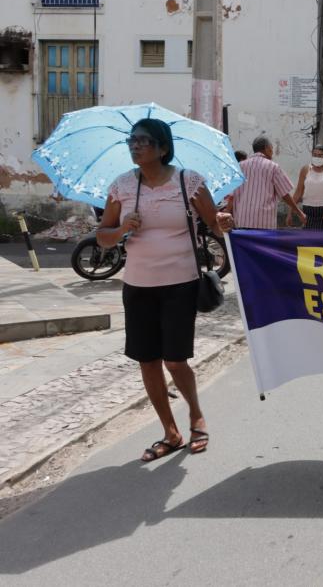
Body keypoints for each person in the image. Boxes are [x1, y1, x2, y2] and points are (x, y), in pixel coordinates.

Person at [97, 118, 234, 462]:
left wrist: (226, 224)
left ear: (162, 147)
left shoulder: (189, 182)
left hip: (180, 283)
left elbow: (214, 223)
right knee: (148, 361)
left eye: (142, 141)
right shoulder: (122, 187)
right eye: (131, 141)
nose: (134, 146)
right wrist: (122, 229)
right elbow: (102, 237)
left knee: (175, 360)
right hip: (138, 286)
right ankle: (170, 432)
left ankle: (196, 415)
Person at [231, 136, 305, 229]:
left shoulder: (239, 166)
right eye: (272, 148)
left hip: (241, 220)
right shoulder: (273, 167)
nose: (272, 151)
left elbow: (232, 194)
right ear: (266, 148)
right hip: (263, 222)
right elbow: (284, 194)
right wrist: (299, 212)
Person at [288, 145, 323, 229]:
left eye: (320, 155)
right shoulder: (305, 169)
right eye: (315, 155)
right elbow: (298, 192)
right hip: (308, 212)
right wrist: (290, 213)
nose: (317, 157)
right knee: (308, 240)